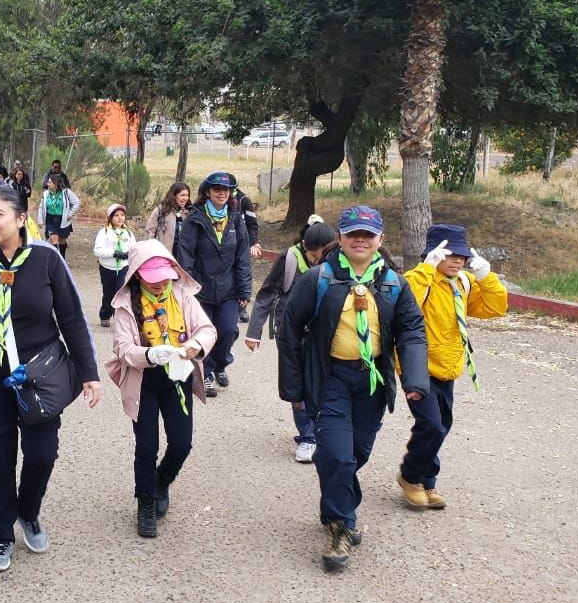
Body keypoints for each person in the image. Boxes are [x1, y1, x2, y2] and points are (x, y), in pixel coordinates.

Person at [0, 186, 101, 573]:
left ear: (21, 218)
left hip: (39, 378)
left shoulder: (46, 260)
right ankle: (1, 534)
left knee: (43, 454)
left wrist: (89, 373)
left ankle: (28, 512)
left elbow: (73, 318)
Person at [275, 204, 428, 573]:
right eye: (353, 233)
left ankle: (334, 505)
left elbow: (411, 331)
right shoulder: (318, 279)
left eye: (368, 234)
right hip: (331, 380)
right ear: (340, 238)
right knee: (336, 455)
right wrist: (293, 387)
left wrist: (416, 380)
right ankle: (342, 526)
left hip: (372, 381)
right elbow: (290, 331)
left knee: (355, 453)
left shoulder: (393, 283)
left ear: (380, 240)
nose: (361, 240)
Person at [106, 241, 216, 538]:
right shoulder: (126, 306)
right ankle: (145, 502)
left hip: (178, 379)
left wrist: (194, 345)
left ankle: (162, 480)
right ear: (138, 276)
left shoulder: (182, 295)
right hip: (144, 382)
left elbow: (207, 330)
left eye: (164, 277)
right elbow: (123, 348)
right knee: (146, 446)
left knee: (182, 443)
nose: (160, 284)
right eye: (153, 279)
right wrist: (149, 355)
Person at [396, 224, 507, 510]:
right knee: (431, 423)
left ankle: (427, 480)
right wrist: (426, 268)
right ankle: (410, 476)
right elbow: (405, 299)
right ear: (435, 253)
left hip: (449, 365)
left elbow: (494, 309)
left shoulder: (462, 283)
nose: (458, 260)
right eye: (451, 254)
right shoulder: (422, 279)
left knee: (442, 424)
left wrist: (487, 278)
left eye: (462, 255)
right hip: (417, 366)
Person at [245, 215, 337, 463]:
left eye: (325, 254)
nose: (320, 260)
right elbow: (265, 295)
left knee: (324, 381)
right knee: (298, 382)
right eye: (316, 255)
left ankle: (322, 431)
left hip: (323, 333)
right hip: (290, 330)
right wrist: (254, 331)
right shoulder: (289, 259)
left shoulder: (339, 265)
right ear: (306, 247)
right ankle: (307, 437)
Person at [174, 171, 251, 398]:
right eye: (217, 189)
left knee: (227, 331)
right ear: (207, 192)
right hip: (201, 289)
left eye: (225, 190)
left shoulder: (236, 220)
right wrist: (186, 287)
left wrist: (244, 289)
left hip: (228, 289)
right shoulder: (195, 219)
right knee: (203, 333)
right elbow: (185, 254)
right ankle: (205, 374)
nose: (221, 193)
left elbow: (243, 257)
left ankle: (220, 365)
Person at [92, 203, 135, 327]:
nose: (120, 218)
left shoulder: (129, 234)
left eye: (122, 215)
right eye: (116, 215)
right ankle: (105, 314)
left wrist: (128, 255)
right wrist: (114, 253)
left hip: (123, 267)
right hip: (107, 268)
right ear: (110, 217)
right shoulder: (104, 232)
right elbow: (98, 251)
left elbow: (134, 249)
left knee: (120, 292)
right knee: (109, 293)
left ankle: (120, 319)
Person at [35, 173, 80, 259]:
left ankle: (62, 258)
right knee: (53, 239)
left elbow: (77, 202)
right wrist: (40, 220)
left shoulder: (66, 192)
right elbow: (41, 207)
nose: (47, 184)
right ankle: (55, 260)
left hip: (63, 220)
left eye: (49, 182)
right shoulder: (45, 194)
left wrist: (70, 214)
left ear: (56, 184)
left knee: (62, 241)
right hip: (50, 219)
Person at [233, 186, 261, 322]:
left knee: (243, 273)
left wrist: (253, 243)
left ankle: (242, 306)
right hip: (225, 244)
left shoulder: (244, 200)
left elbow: (252, 224)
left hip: (241, 244)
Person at [144, 182, 191, 253]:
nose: (185, 198)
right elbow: (150, 232)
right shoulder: (161, 210)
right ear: (174, 196)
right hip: (163, 254)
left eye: (187, 195)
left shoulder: (189, 212)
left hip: (183, 256)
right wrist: (150, 252)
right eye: (182, 195)